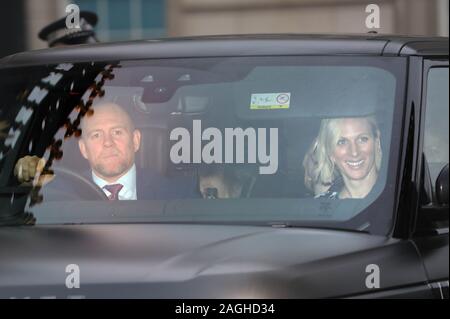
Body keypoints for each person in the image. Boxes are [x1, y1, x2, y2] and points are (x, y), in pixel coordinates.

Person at [14, 102, 197, 200]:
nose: (108, 143)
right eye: (96, 135)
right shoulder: (55, 195)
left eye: (117, 132)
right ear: (84, 149)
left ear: (135, 140)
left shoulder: (179, 195)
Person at [304, 116, 382, 199]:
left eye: (362, 139)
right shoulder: (319, 207)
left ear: (376, 142)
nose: (354, 152)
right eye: (342, 142)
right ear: (330, 152)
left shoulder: (395, 195)